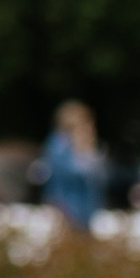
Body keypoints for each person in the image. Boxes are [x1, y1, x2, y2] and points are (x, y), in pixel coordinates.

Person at [36, 99, 106, 234]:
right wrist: (84, 151)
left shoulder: (67, 144)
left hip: (83, 208)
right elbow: (72, 173)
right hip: (67, 208)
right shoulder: (59, 144)